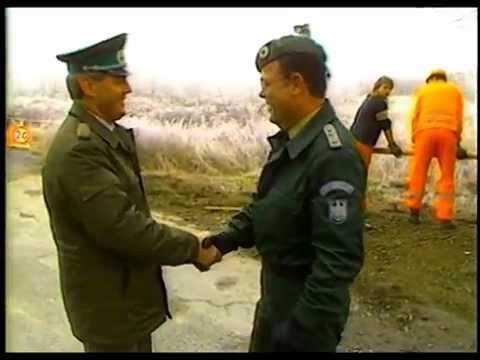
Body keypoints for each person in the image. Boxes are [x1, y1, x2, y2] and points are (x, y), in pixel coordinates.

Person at [41, 33, 221, 352]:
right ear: (89, 85)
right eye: (118, 79)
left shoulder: (104, 138)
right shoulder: (79, 151)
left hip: (125, 304)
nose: (128, 89)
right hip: (110, 313)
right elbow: (125, 228)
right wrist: (193, 247)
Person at [203, 34, 367, 352]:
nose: (261, 92)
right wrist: (225, 241)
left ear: (295, 83)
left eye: (266, 83)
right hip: (275, 300)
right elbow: (268, 205)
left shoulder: (333, 155)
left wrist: (301, 329)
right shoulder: (293, 140)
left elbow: (338, 260)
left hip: (302, 315)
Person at [404, 69, 467, 228]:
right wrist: (457, 141)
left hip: (424, 133)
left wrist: (414, 137)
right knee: (446, 176)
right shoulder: (455, 91)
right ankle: (445, 217)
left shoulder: (423, 90)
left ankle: (414, 212)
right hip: (448, 134)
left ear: (430, 79)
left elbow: (415, 115)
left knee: (418, 172)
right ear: (443, 79)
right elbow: (459, 118)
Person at [350, 76, 403, 171]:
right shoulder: (380, 103)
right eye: (385, 88)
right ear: (377, 87)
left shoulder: (369, 99)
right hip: (364, 142)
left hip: (354, 139)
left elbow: (356, 118)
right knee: (361, 172)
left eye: (390, 89)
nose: (388, 91)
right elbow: (385, 124)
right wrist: (392, 144)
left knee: (354, 171)